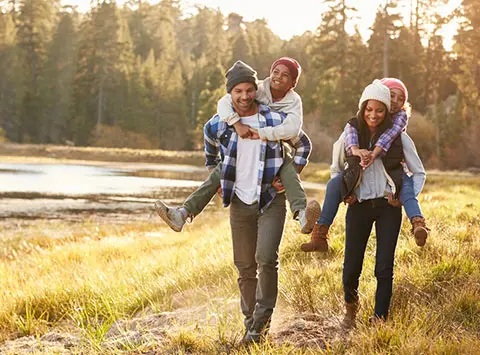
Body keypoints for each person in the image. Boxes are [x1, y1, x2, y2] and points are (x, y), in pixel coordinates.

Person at [199, 61, 312, 344]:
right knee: (244, 266)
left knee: (266, 259)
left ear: (255, 91)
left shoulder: (273, 118)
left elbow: (303, 143)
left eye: (249, 90)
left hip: (271, 198)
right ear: (230, 94)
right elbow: (209, 140)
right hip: (239, 200)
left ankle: (260, 326)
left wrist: (290, 174)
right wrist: (217, 175)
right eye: (238, 91)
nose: (245, 96)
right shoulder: (222, 122)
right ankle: (251, 325)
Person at [155, 58, 320, 234]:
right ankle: (182, 214)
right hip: (244, 149)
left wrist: (290, 171)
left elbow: (296, 132)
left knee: (288, 168)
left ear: (293, 83)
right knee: (222, 168)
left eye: (285, 75)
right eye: (276, 71)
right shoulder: (256, 89)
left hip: (276, 148)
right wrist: (236, 124)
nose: (278, 77)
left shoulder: (293, 103)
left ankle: (302, 215)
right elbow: (224, 103)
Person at [300, 78, 429, 252]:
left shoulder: (398, 129)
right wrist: (347, 191)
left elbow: (416, 169)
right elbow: (337, 163)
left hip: (392, 183)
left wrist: (404, 193)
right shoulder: (354, 127)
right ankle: (319, 233)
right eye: (392, 96)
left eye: (401, 99)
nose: (396, 102)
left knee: (406, 187)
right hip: (359, 195)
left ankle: (418, 224)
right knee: (333, 184)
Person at [334, 80, 423, 326]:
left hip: (387, 209)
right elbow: (336, 169)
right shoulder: (351, 135)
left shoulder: (400, 139)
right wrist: (345, 193)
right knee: (352, 265)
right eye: (370, 109)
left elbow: (419, 173)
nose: (374, 114)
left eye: (381, 109)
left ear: (387, 110)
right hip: (359, 206)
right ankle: (350, 310)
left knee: (384, 267)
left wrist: (403, 196)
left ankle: (380, 318)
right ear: (364, 108)